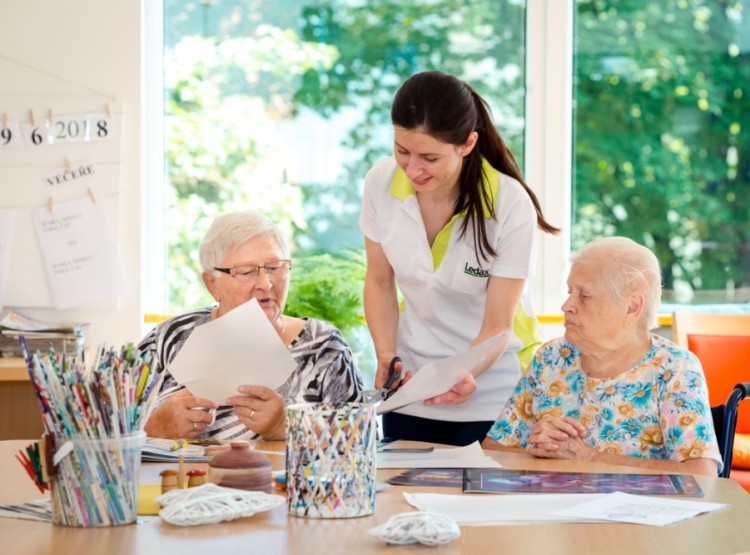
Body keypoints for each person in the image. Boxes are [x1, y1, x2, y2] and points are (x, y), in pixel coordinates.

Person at [360, 71, 558, 446]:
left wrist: (463, 372)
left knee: (485, 503)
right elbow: (379, 281)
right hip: (413, 388)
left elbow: (499, 326)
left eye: (430, 157)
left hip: (494, 392)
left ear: (467, 144)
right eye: (403, 150)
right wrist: (386, 353)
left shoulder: (508, 204)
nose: (413, 169)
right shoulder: (380, 183)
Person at [482, 237, 721, 476]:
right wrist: (534, 450)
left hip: (633, 511)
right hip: (551, 509)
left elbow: (701, 473)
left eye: (584, 295)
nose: (566, 305)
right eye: (569, 292)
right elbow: (492, 450)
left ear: (632, 307)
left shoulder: (675, 368)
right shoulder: (552, 357)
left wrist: (591, 458)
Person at [141, 211, 364, 441]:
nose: (266, 284)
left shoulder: (324, 349)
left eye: (275, 267)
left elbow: (364, 441)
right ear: (212, 284)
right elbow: (107, 429)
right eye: (246, 272)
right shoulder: (169, 339)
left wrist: (282, 426)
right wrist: (153, 427)